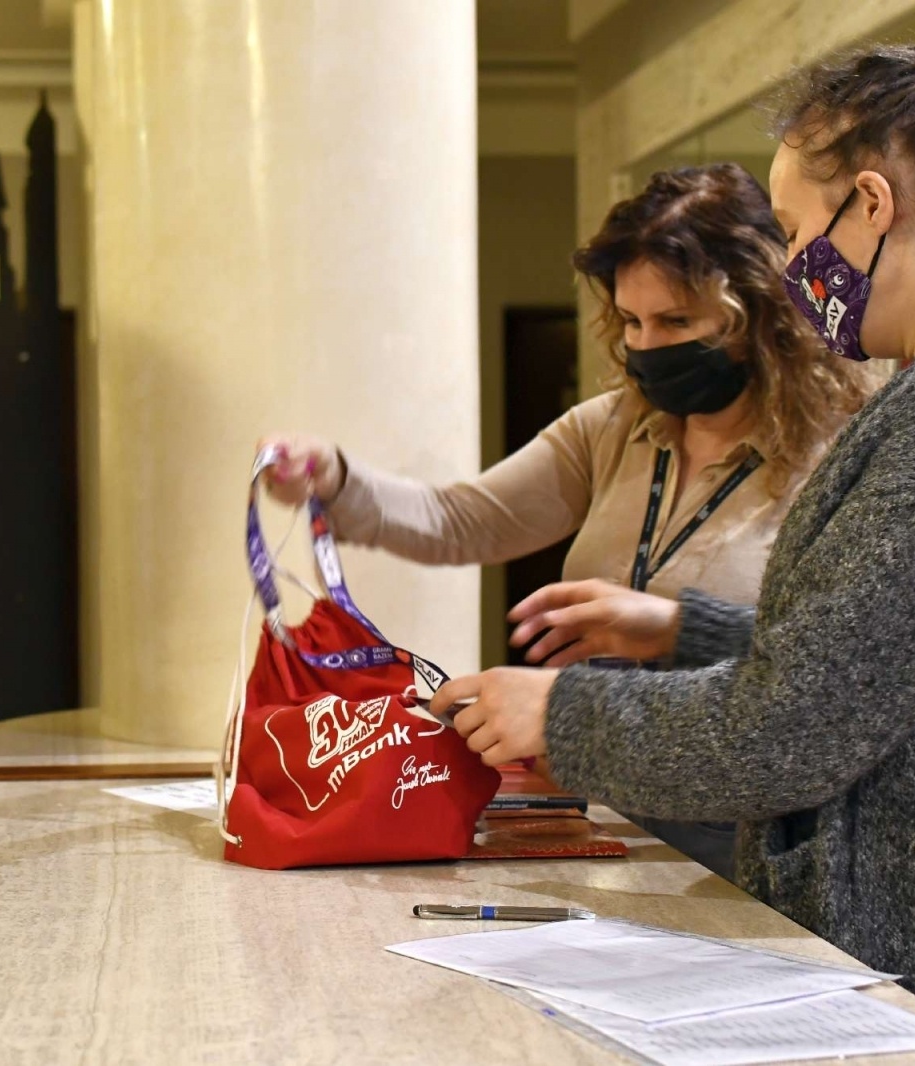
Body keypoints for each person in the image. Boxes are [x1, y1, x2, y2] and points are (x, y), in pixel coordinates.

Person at [432, 32, 915, 1060]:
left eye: (803, 232)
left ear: (872, 202)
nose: (798, 271)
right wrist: (683, 629)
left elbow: (798, 728)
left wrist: (560, 710)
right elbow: (888, 662)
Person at [261, 163, 871, 878]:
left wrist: (669, 624)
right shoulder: (615, 427)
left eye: (676, 321)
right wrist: (333, 476)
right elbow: (461, 520)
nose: (647, 346)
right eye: (633, 321)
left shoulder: (840, 451)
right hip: (606, 820)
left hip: (748, 848)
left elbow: (832, 673)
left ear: (761, 316)